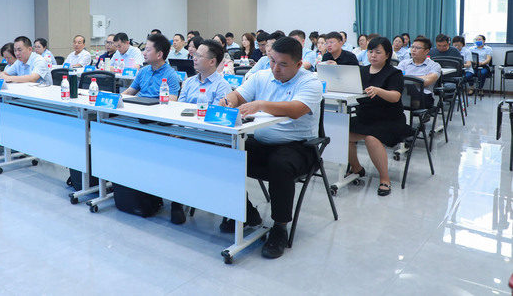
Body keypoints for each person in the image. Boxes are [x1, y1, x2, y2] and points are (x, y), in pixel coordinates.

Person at [219, 37, 322, 259]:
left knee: (280, 164)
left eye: (283, 64)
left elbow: (296, 109)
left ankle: (280, 227)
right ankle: (247, 212)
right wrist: (229, 100)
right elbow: (238, 95)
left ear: (298, 64)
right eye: (272, 61)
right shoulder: (261, 76)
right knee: (224, 153)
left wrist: (260, 104)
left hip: (299, 146)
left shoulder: (310, 82)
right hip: (261, 142)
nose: (275, 68)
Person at [171, 39, 232, 225]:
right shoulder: (189, 82)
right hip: (185, 132)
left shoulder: (222, 86)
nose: (194, 58)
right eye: (195, 54)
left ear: (212, 61)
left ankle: (177, 201)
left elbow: (215, 120)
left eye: (199, 55)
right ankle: (166, 194)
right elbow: (177, 109)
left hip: (208, 138)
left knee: (181, 152)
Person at [347, 37, 412, 197]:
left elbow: (395, 97)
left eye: (378, 52)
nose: (373, 55)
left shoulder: (394, 73)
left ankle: (384, 178)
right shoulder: (361, 71)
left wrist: (379, 91)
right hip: (365, 117)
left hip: (389, 119)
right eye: (370, 52)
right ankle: (356, 168)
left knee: (371, 138)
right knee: (342, 132)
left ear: (387, 54)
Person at [122, 34, 180, 99]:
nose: (144, 53)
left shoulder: (171, 76)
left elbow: (171, 101)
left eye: (148, 50)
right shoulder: (143, 71)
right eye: (145, 49)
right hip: (139, 104)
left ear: (159, 55)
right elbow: (128, 92)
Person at [397, 36, 441, 108]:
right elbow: (397, 78)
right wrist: (421, 78)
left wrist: (407, 79)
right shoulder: (403, 63)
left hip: (424, 96)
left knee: (410, 87)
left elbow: (427, 81)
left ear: (426, 51)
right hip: (403, 94)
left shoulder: (434, 65)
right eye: (412, 47)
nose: (413, 50)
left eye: (417, 48)